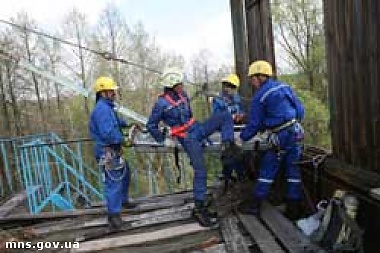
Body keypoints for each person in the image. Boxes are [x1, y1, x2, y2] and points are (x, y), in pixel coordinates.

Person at [146, 67, 241, 227]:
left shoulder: (183, 96)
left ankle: (228, 146)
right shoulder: (161, 104)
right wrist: (163, 139)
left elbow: (189, 117)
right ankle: (199, 208)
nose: (182, 86)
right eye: (179, 83)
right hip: (187, 138)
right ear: (172, 85)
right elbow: (151, 125)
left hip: (196, 129)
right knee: (200, 171)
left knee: (224, 116)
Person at [238, 60, 305, 219]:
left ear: (260, 76)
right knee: (293, 170)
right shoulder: (285, 87)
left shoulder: (259, 97)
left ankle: (255, 205)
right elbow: (300, 110)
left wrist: (242, 139)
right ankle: (293, 208)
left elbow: (255, 123)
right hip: (295, 133)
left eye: (252, 78)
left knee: (267, 169)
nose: (252, 82)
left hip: (280, 138)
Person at [89, 76, 136, 231]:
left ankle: (123, 201)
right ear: (103, 93)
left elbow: (117, 122)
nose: (114, 93)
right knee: (113, 182)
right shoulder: (102, 110)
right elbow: (108, 133)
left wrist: (129, 124)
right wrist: (123, 140)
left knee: (125, 172)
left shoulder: (107, 107)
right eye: (111, 91)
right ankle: (114, 217)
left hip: (113, 150)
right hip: (107, 151)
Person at [212, 74, 245, 188]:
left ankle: (240, 178)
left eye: (231, 87)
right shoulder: (218, 100)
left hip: (236, 129)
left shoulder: (236, 98)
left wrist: (240, 116)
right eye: (226, 86)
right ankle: (227, 178)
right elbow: (216, 116)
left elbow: (241, 110)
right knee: (228, 154)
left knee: (239, 154)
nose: (228, 89)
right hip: (224, 131)